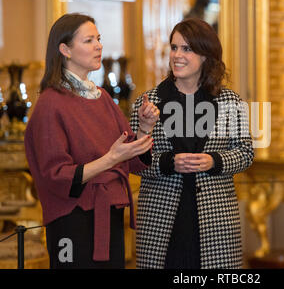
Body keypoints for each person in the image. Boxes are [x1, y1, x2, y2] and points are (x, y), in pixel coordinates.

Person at [24, 13, 159, 268]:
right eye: (88, 40)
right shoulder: (51, 103)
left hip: (109, 213)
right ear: (65, 49)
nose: (99, 46)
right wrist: (111, 159)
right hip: (73, 219)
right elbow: (57, 176)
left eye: (98, 39)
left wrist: (144, 128)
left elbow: (130, 159)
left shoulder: (102, 97)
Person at [130, 18, 254, 268]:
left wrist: (214, 160)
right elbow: (134, 164)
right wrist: (168, 162)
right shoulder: (149, 102)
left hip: (215, 223)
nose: (177, 55)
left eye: (187, 49)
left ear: (206, 55)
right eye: (174, 48)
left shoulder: (230, 101)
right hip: (160, 222)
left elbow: (246, 153)